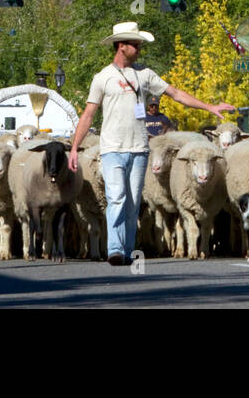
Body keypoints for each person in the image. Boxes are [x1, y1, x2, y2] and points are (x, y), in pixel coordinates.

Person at [70, 22, 235, 266]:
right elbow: (88, 114)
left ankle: (126, 250)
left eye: (139, 44)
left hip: (139, 149)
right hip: (112, 149)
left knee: (133, 202)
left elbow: (176, 94)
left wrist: (209, 106)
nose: (139, 49)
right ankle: (114, 249)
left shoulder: (145, 75)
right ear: (121, 46)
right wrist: (74, 148)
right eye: (135, 45)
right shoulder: (103, 77)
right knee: (116, 197)